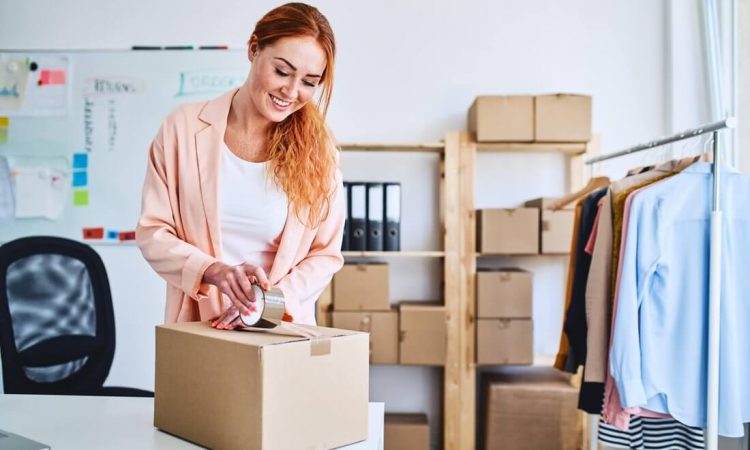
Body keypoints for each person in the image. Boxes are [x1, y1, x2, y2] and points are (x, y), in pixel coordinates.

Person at [136, 2, 344, 330]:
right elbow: (153, 232)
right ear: (253, 49)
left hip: (280, 330)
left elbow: (325, 254)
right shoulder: (183, 128)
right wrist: (212, 271)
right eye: (282, 71)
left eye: (309, 81)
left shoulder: (320, 151)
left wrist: (266, 303)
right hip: (199, 327)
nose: (291, 91)